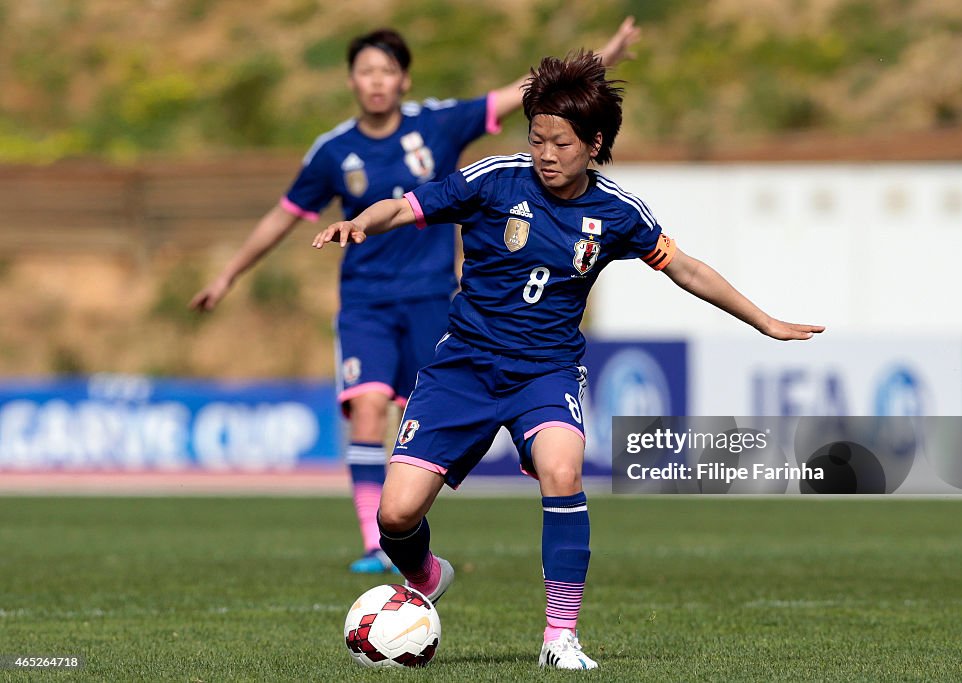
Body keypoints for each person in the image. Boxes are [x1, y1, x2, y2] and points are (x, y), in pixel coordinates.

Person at [312, 51, 825, 668]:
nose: (545, 153)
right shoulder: (494, 179)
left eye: (560, 142)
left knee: (563, 467)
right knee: (395, 515)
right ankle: (425, 573)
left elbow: (684, 267)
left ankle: (560, 638)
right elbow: (406, 205)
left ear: (595, 144)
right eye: (536, 139)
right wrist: (361, 223)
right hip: (464, 367)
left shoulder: (617, 213)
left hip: (545, 371)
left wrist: (764, 320)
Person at [189, 21, 641, 574]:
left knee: (435, 426)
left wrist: (598, 60)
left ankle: (538, 611)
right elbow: (284, 215)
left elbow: (534, 95)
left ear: (404, 79)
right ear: (351, 81)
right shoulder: (334, 151)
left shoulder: (441, 124)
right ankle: (373, 542)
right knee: (368, 408)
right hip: (366, 303)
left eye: (386, 71)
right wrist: (230, 273)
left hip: (435, 300)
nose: (376, 82)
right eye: (364, 72)